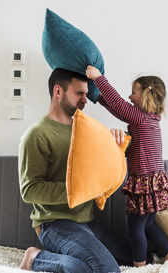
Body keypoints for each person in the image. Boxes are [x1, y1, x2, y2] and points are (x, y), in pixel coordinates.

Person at [18, 68, 133, 273]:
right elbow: (30, 190)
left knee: (140, 256)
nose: (85, 99)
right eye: (79, 93)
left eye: (86, 93)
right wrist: (82, 190)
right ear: (58, 92)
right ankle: (35, 258)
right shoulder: (36, 134)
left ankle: (57, 257)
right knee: (107, 270)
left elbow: (101, 169)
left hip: (87, 223)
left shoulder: (87, 131)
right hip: (54, 224)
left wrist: (114, 141)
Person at [86, 65, 168, 267]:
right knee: (148, 224)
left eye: (133, 92)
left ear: (146, 95)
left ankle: (139, 265)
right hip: (155, 182)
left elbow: (118, 104)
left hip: (145, 182)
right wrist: (97, 97)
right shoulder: (151, 120)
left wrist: (99, 78)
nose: (129, 97)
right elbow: (117, 108)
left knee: (135, 226)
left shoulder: (140, 118)